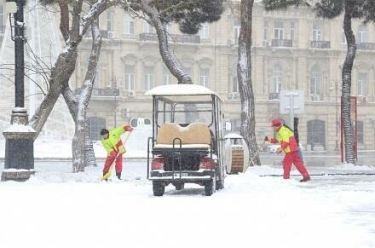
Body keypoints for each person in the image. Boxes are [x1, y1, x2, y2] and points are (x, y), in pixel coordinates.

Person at [265, 118, 311, 182]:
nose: (273, 128)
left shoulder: (283, 131)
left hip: (290, 150)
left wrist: (281, 149)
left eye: (274, 126)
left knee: (286, 164)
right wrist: (269, 139)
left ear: (277, 125)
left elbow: (286, 142)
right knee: (298, 164)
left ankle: (286, 178)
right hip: (293, 150)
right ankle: (306, 176)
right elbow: (277, 140)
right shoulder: (279, 132)